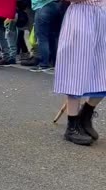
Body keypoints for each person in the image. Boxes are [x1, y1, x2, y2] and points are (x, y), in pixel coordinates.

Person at [53, 0, 106, 146]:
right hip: (81, 16)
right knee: (76, 68)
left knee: (103, 71)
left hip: (102, 15)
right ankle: (72, 125)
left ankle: (86, 114)